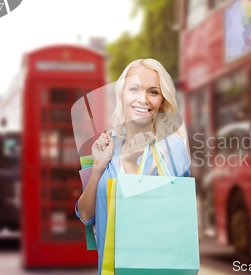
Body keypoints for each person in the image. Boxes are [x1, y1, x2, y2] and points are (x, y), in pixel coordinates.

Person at [75, 58, 191, 275]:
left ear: (162, 101)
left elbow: (156, 221)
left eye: (153, 92)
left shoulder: (172, 148)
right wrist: (98, 167)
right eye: (135, 89)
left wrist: (129, 166)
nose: (142, 99)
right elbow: (86, 215)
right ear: (122, 94)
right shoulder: (110, 144)